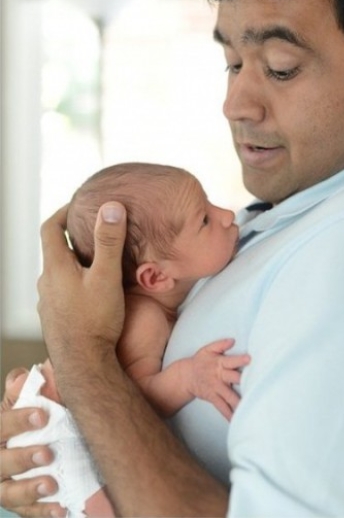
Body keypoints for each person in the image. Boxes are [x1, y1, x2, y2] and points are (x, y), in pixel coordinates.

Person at [1, 0, 344, 516]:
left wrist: (82, 357)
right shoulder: (286, 217)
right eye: (232, 63)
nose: (236, 103)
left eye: (280, 68)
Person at [7, 162, 248, 516]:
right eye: (204, 221)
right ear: (155, 277)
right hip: (52, 430)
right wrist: (190, 377)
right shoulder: (144, 319)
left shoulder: (156, 304)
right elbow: (134, 399)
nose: (227, 215)